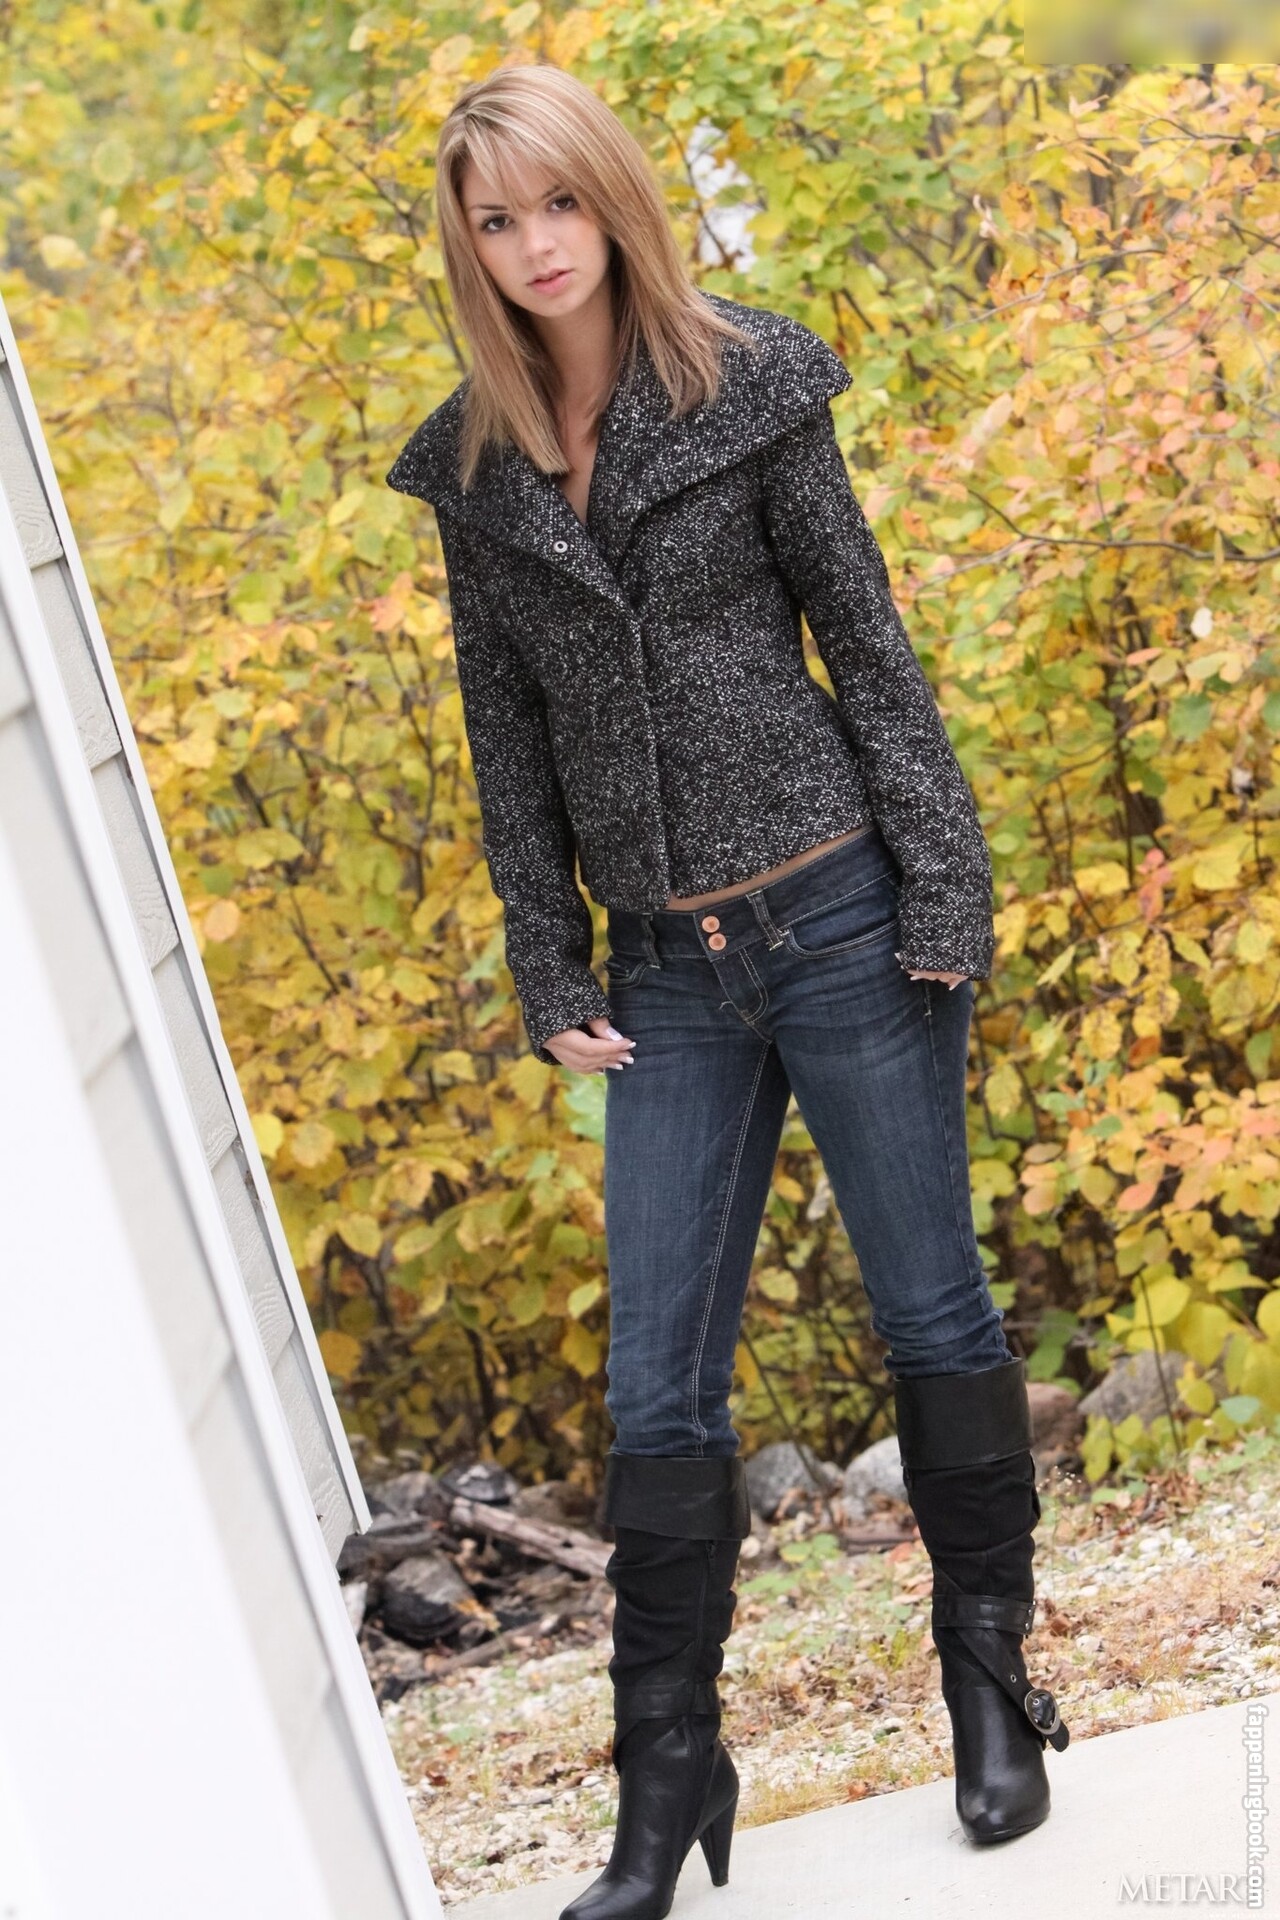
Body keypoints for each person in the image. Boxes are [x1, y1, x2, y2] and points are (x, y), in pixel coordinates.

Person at [385, 60, 1069, 1919]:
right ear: (469, 246)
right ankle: (669, 1771)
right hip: (659, 975)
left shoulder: (745, 385)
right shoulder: (474, 469)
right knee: (657, 1396)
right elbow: (507, 747)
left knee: (934, 1308)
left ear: (610, 199)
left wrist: (944, 880)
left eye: (557, 203)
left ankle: (990, 1684)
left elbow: (868, 641)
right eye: (496, 220)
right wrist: (545, 962)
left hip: (842, 914)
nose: (536, 246)